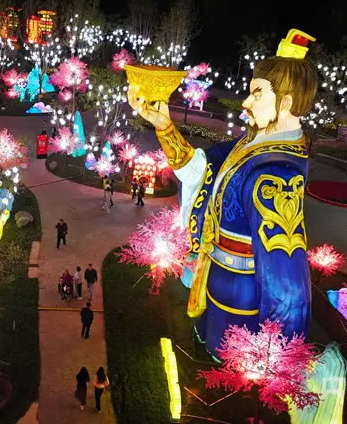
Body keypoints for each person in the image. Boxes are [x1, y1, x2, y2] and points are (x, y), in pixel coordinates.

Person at [127, 29, 317, 360]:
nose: (246, 102)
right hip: (217, 275)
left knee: (229, 360)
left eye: (257, 94)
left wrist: (279, 354)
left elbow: (286, 280)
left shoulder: (276, 174)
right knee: (212, 349)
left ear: (285, 103)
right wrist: (163, 125)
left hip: (241, 296)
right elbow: (201, 167)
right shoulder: (252, 143)